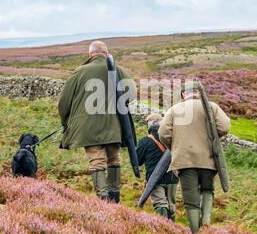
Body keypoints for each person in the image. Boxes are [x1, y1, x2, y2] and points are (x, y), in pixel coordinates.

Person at [58, 40, 136, 202]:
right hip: (115, 126)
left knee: (97, 161)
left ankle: (102, 200)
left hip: (88, 128)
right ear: (106, 54)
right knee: (114, 158)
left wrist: (66, 122)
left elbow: (64, 102)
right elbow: (132, 94)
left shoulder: (79, 72)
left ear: (90, 54)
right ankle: (114, 199)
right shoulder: (118, 70)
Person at [159, 82, 231, 234]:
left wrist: (176, 146)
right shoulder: (211, 107)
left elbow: (163, 133)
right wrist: (212, 138)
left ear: (184, 95)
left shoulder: (174, 109)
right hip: (208, 159)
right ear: (198, 94)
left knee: (190, 200)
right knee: (207, 190)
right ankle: (206, 226)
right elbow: (225, 127)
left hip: (184, 161)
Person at [136, 114, 178, 220]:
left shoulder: (145, 141)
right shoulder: (173, 139)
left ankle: (162, 232)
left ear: (149, 126)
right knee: (171, 207)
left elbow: (137, 161)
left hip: (155, 180)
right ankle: (173, 233)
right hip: (173, 178)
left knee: (160, 205)